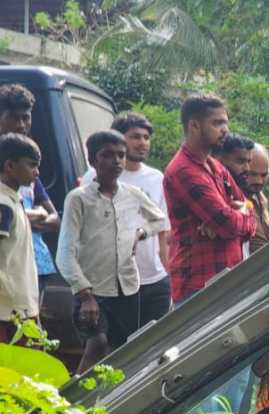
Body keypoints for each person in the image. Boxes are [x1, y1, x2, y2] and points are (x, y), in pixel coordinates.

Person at [59, 130, 169, 372]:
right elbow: (64, 254)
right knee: (96, 346)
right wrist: (86, 296)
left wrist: (140, 233)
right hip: (92, 289)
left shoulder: (132, 194)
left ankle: (111, 404)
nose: (116, 161)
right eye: (107, 155)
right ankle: (71, 405)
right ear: (93, 160)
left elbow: (160, 220)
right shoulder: (78, 199)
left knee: (120, 351)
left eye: (120, 155)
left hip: (127, 288)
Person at [163, 94, 257, 304]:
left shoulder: (215, 166)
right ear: (194, 125)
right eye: (217, 123)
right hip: (198, 287)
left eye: (225, 123)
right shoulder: (184, 171)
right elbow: (228, 225)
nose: (225, 130)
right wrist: (233, 218)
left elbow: (248, 208)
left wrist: (238, 214)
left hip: (227, 279)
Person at [82, 111, 173, 326]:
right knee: (116, 348)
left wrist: (168, 275)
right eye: (135, 137)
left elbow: (164, 230)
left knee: (155, 345)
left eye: (146, 137)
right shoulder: (93, 177)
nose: (142, 143)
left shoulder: (156, 178)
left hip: (154, 280)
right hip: (113, 281)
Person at [0, 84, 59, 290]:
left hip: (35, 266)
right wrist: (27, 215)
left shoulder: (26, 166)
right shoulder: (11, 165)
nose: (21, 125)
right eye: (14, 118)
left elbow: (54, 219)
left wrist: (26, 218)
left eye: (26, 117)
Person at [0, 133, 39, 342]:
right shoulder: (3, 203)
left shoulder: (15, 199)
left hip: (18, 306)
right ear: (10, 166)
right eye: (31, 165)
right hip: (8, 311)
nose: (37, 172)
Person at [247, 143, 269, 253]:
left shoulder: (261, 199)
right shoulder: (230, 198)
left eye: (264, 175)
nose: (258, 181)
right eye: (252, 174)